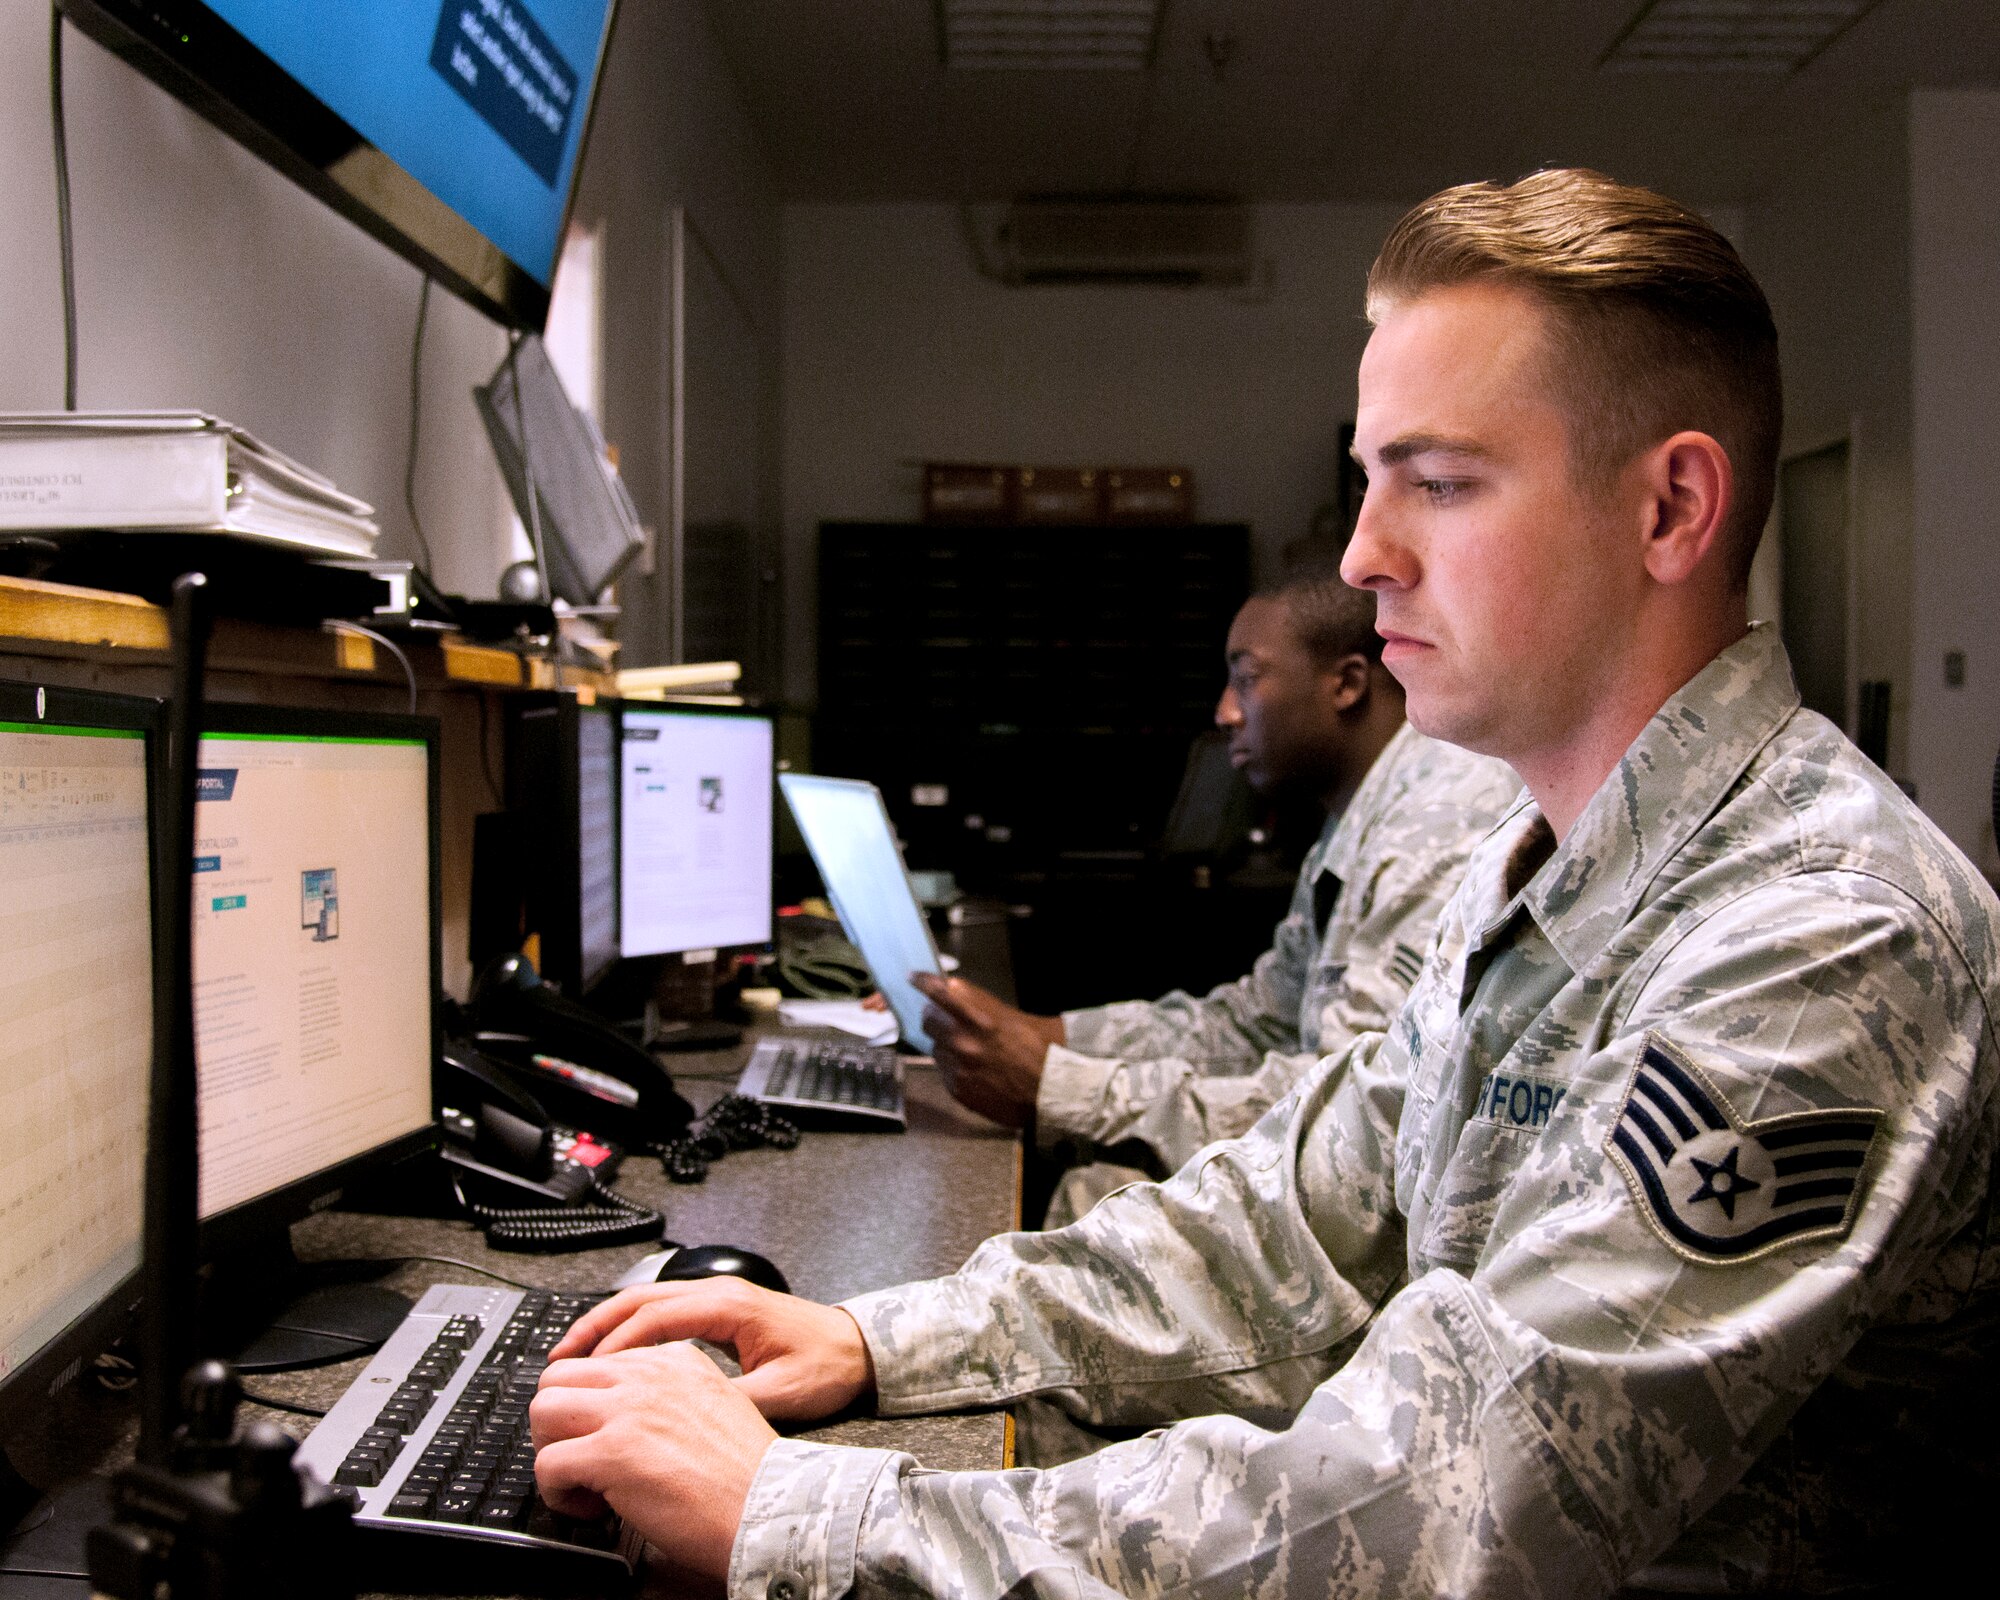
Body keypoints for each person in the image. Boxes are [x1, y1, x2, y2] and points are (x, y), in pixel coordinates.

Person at [528, 170, 2000, 1598]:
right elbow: (1295, 1219)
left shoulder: (1821, 932)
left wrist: (803, 1518)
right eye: (1369, 483)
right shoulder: (1543, 860)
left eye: (1437, 483)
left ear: (1671, 510)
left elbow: (1452, 1506)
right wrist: (882, 1338)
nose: (1365, 557)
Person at [915, 567, 1516, 1233]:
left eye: (1247, 678)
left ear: (1346, 683)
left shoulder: (1437, 825)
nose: (1225, 711)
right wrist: (1045, 1037)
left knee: (1101, 1206)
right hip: (1351, 1190)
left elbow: (1354, 1116)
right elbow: (1255, 1021)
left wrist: (1063, 1088)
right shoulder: (1361, 817)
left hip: (1392, 1221)